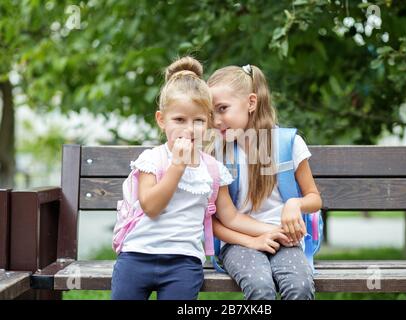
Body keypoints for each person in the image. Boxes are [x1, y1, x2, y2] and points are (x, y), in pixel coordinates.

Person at [111, 57, 289, 300]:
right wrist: (177, 166)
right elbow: (151, 207)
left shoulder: (212, 170)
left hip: (184, 263)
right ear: (162, 120)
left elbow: (231, 217)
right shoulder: (152, 159)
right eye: (179, 120)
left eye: (198, 121)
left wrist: (269, 231)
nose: (189, 128)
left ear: (208, 122)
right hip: (137, 256)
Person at [207, 64, 322, 300]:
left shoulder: (289, 143)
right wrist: (263, 236)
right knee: (260, 288)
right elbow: (216, 220)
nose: (216, 120)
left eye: (222, 109)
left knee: (299, 288)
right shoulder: (217, 153)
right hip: (238, 242)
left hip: (286, 239)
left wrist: (295, 205)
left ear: (251, 102)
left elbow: (314, 198)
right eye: (211, 113)